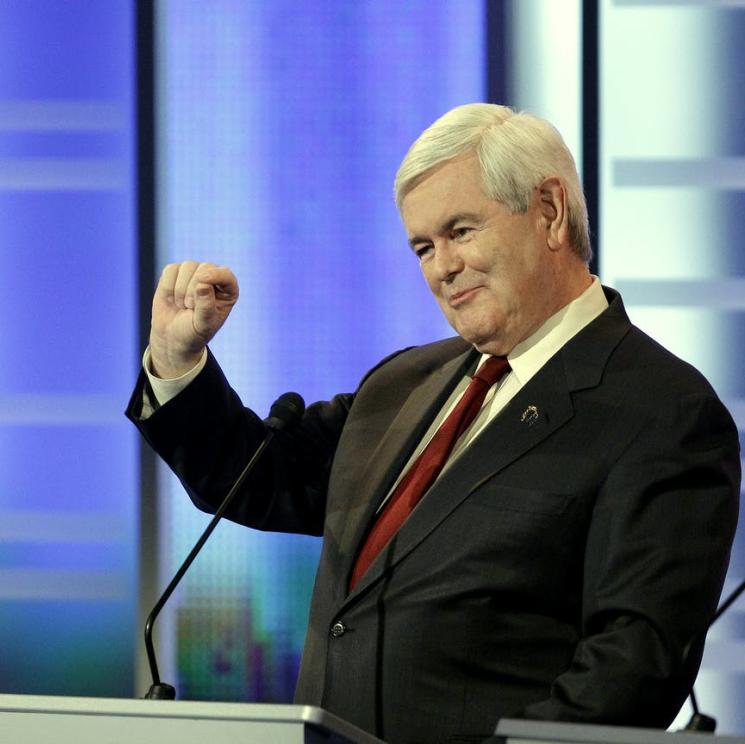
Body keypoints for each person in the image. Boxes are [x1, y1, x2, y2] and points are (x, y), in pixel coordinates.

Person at [128, 103, 740, 743]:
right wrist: (177, 358)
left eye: (462, 231)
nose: (441, 267)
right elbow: (255, 478)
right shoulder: (404, 383)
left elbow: (630, 673)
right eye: (423, 246)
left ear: (551, 213)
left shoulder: (660, 411)